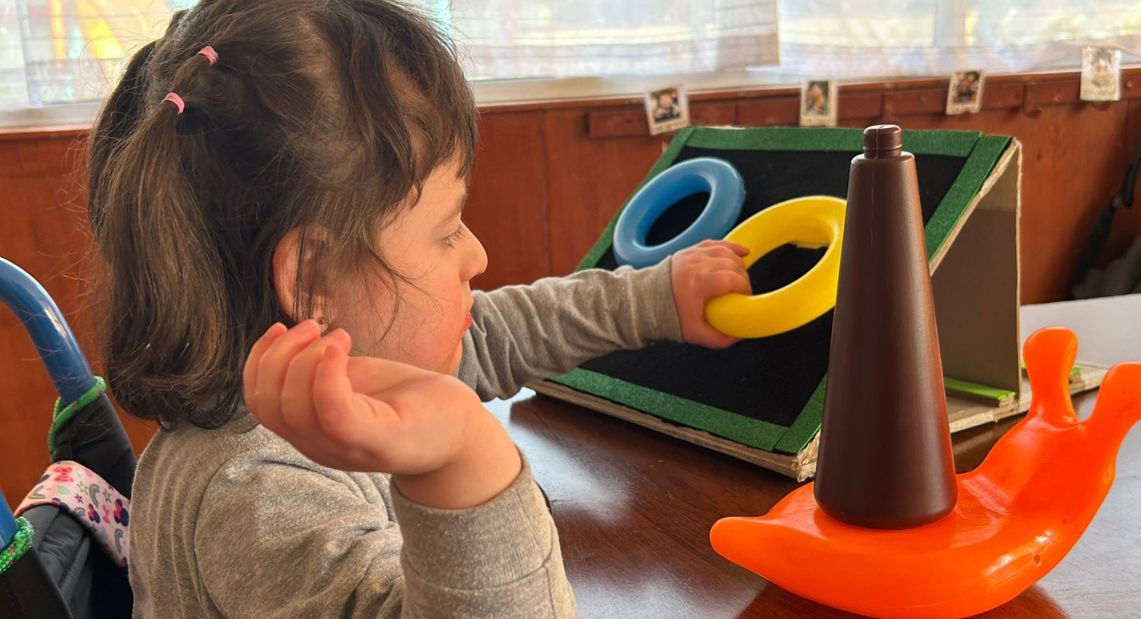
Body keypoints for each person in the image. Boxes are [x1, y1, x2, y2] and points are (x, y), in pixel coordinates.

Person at [85, 1, 752, 617]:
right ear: (312, 279)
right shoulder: (257, 496)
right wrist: (464, 455)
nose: (477, 255)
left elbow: (496, 331)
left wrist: (651, 298)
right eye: (447, 229)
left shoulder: (347, 362)